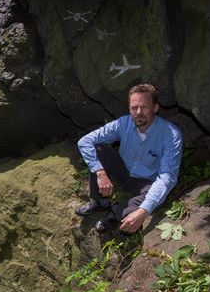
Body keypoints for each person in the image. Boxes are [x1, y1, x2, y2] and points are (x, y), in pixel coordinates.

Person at [75, 84, 182, 234]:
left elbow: (167, 177)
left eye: (144, 107)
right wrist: (100, 172)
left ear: (155, 108)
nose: (138, 113)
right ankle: (101, 201)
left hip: (147, 181)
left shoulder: (171, 135)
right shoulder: (123, 123)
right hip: (123, 170)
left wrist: (143, 212)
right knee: (98, 150)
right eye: (134, 108)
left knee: (158, 196)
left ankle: (115, 212)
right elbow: (85, 142)